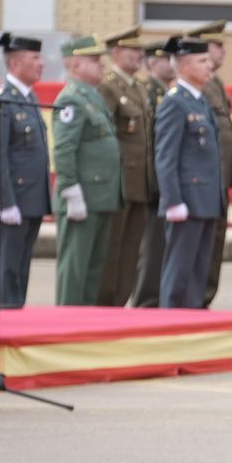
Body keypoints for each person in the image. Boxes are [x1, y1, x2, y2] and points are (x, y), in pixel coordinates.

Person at [153, 36, 225, 309]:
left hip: (205, 198)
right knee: (180, 269)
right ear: (183, 65)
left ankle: (192, 318)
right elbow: (165, 156)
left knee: (198, 270)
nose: (210, 66)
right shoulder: (175, 102)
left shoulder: (199, 100)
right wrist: (172, 200)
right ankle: (171, 321)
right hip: (187, 199)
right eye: (202, 61)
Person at [51, 35, 123, 306]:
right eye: (94, 61)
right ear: (76, 65)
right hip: (82, 195)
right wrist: (69, 188)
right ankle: (66, 322)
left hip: (100, 195)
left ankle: (84, 319)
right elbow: (64, 148)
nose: (101, 65)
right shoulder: (72, 99)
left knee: (93, 268)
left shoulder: (92, 96)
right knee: (75, 268)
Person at [0, 32, 51, 308]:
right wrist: (5, 201)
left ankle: (16, 316)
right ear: (15, 64)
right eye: (35, 58)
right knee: (6, 268)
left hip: (32, 198)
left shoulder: (29, 96)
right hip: (13, 199)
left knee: (22, 267)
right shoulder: (2, 99)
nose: (42, 63)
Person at [97, 26, 156, 307]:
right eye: (134, 50)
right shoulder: (107, 86)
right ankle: (106, 306)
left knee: (132, 250)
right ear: (117, 52)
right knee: (112, 250)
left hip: (140, 183)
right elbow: (103, 137)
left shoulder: (140, 87)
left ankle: (120, 303)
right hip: (118, 184)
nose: (140, 55)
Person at [184, 20, 232, 306]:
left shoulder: (215, 83)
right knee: (197, 250)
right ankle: (195, 302)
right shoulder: (198, 87)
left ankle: (203, 300)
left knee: (214, 247)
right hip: (202, 182)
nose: (223, 51)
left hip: (218, 179)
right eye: (217, 45)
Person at [133, 40, 176, 308]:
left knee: (161, 246)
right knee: (151, 248)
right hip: (152, 182)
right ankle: (146, 300)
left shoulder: (165, 91)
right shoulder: (148, 91)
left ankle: (155, 298)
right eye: (164, 59)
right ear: (152, 63)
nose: (170, 64)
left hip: (160, 182)